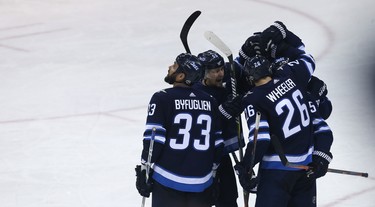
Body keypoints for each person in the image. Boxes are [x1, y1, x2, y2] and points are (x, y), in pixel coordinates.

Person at [234, 21, 333, 207]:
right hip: (306, 167)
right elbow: (306, 57)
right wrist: (321, 156)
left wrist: (246, 167)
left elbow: (260, 139)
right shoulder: (292, 76)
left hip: (277, 171)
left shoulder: (253, 99)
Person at [135, 53, 224, 207]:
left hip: (168, 182)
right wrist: (214, 175)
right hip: (202, 183)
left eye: (175, 66)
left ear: (181, 76)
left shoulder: (162, 98)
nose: (170, 67)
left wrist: (144, 169)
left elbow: (154, 139)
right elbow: (217, 143)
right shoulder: (210, 101)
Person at [194, 50, 245, 207]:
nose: (221, 74)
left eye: (221, 69)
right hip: (201, 158)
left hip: (222, 155)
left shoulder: (226, 83)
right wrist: (223, 113)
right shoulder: (196, 94)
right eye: (215, 71)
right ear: (204, 74)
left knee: (229, 199)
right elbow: (200, 128)